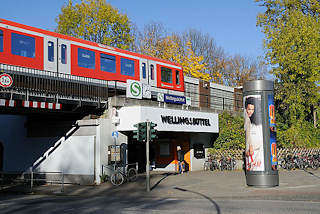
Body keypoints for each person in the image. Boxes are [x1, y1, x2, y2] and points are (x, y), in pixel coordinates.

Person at [244, 96, 264, 171]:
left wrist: (251, 147)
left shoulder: (258, 124)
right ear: (246, 108)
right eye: (249, 109)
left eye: (252, 109)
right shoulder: (247, 122)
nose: (250, 112)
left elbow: (261, 140)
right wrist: (249, 148)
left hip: (257, 153)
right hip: (251, 154)